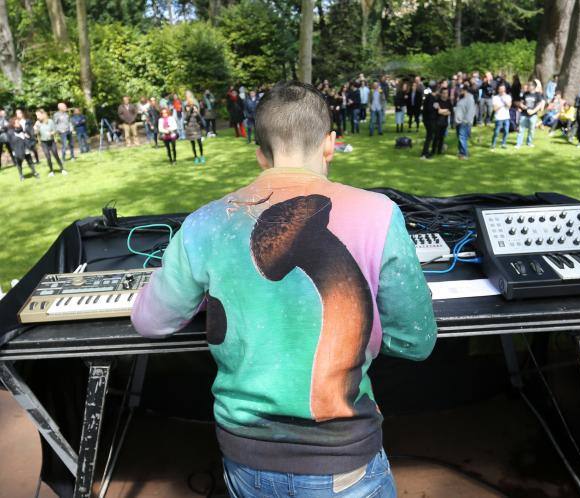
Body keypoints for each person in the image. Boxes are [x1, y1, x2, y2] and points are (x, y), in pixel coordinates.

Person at [132, 81, 436, 498]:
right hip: (344, 457)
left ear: (260, 154)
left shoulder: (203, 224)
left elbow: (150, 321)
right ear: (330, 144)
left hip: (244, 457)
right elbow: (416, 341)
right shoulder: (380, 213)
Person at [34, 109, 66, 176]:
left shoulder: (50, 121)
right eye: (36, 115)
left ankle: (62, 169)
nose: (37, 117)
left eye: (38, 115)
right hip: (43, 142)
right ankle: (51, 171)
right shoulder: (37, 123)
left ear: (42, 114)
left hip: (51, 141)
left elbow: (55, 131)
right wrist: (35, 129)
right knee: (48, 157)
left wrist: (51, 133)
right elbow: (36, 133)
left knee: (55, 155)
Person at [8, 116, 38, 181]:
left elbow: (27, 138)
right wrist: (13, 151)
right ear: (13, 124)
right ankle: (21, 175)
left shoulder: (22, 130)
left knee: (30, 161)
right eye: (17, 123)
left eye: (19, 122)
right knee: (19, 163)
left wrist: (27, 137)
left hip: (25, 148)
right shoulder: (11, 132)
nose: (18, 123)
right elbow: (11, 142)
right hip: (17, 150)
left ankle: (34, 172)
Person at [517, 82, 544, 148]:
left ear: (534, 87)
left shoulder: (538, 94)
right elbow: (521, 103)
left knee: (531, 130)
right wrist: (524, 107)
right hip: (524, 114)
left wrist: (533, 111)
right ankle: (518, 144)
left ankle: (529, 143)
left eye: (529, 85)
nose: (528, 86)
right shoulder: (525, 93)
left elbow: (539, 104)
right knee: (521, 129)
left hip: (533, 115)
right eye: (528, 85)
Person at [454, 85, 476, 159]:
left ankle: (464, 154)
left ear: (465, 90)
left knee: (462, 137)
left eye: (461, 90)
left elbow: (470, 111)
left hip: (464, 122)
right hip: (458, 121)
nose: (459, 92)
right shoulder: (462, 98)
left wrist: (466, 121)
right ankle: (461, 152)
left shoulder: (470, 99)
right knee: (460, 137)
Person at [184, 93, 206, 164]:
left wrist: (197, 111)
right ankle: (196, 157)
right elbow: (186, 118)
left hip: (196, 127)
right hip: (190, 128)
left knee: (199, 143)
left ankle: (202, 156)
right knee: (193, 144)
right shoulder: (186, 107)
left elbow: (200, 118)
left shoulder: (195, 107)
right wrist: (189, 110)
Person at [431, 87, 452, 156]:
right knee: (436, 137)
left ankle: (439, 151)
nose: (445, 94)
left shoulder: (449, 101)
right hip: (437, 122)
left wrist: (443, 111)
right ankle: (433, 151)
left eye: (446, 93)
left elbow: (450, 112)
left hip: (445, 122)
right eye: (444, 93)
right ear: (441, 94)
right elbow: (438, 111)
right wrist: (446, 110)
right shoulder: (437, 101)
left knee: (442, 138)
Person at [490, 83, 512, 149]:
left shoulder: (508, 97)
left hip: (506, 117)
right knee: (496, 132)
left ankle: (503, 143)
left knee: (506, 131)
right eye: (501, 89)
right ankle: (493, 144)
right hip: (498, 117)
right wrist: (501, 105)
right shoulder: (495, 98)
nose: (502, 90)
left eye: (503, 89)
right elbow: (494, 109)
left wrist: (504, 101)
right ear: (498, 90)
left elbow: (509, 106)